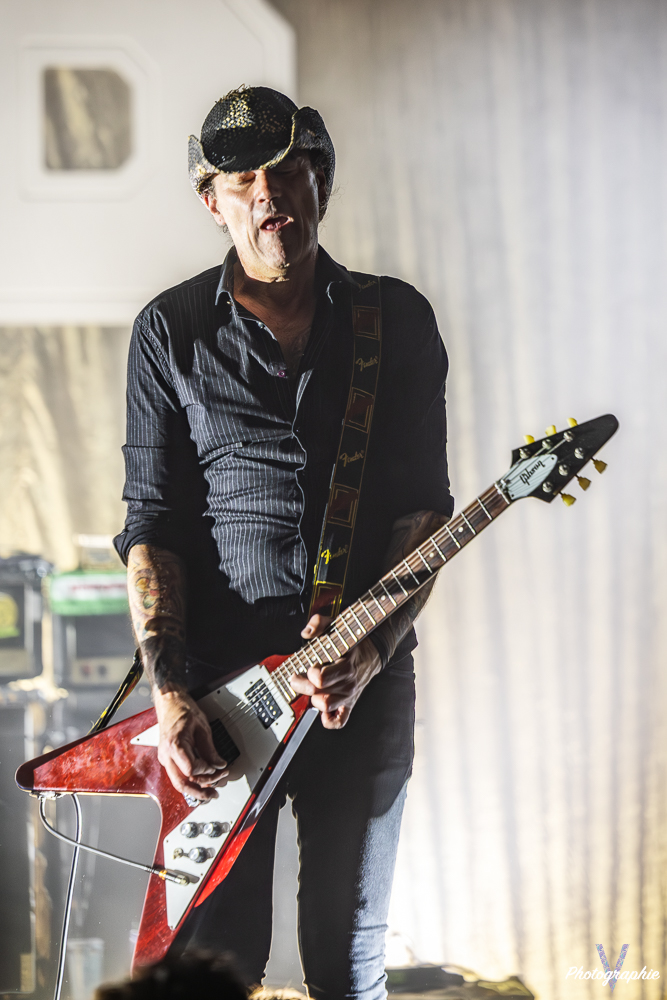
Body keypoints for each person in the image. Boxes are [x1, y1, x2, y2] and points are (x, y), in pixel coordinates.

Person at [114, 86, 454, 999]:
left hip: (359, 684)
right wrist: (171, 694)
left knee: (347, 963)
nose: (267, 192)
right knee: (216, 967)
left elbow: (421, 514)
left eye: (287, 169)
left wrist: (373, 648)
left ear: (319, 184)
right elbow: (152, 525)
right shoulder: (170, 331)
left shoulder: (394, 320)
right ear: (213, 202)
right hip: (219, 699)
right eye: (241, 179)